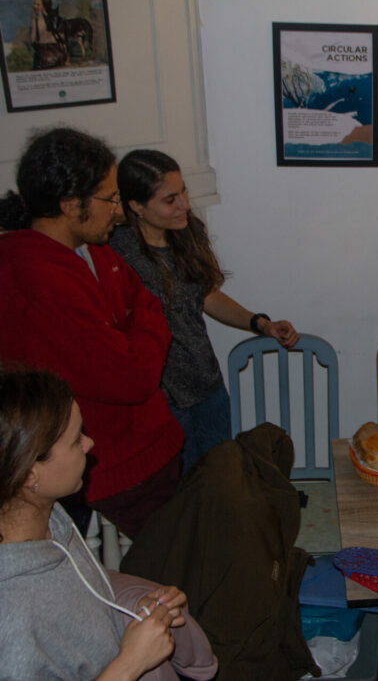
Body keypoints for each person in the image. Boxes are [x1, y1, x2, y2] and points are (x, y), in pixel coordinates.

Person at [0, 128, 184, 538]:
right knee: (171, 565)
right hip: (113, 470)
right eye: (109, 199)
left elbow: (150, 306)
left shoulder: (94, 251)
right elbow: (133, 376)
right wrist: (137, 335)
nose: (118, 212)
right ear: (69, 206)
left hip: (147, 451)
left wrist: (133, 333)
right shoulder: (38, 278)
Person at [0, 370, 217, 681]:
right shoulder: (10, 623)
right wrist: (130, 664)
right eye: (76, 440)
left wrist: (133, 612)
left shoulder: (48, 516)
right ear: (28, 475)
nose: (89, 443)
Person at [111, 149, 299, 473]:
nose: (184, 204)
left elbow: (206, 295)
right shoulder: (116, 253)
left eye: (183, 190)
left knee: (219, 482)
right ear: (137, 206)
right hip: (161, 399)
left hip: (207, 387)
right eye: (170, 199)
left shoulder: (188, 232)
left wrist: (262, 324)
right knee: (179, 494)